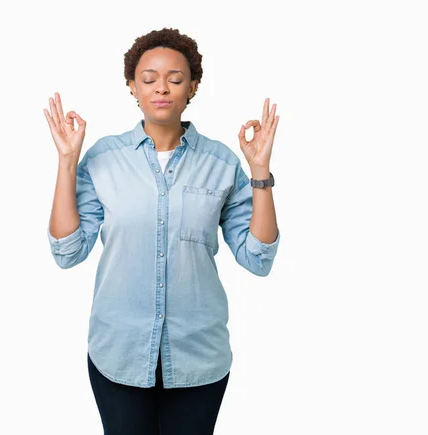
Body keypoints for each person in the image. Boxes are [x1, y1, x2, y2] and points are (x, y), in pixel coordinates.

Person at [45, 27, 281, 435]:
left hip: (198, 355)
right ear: (132, 86)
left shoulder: (221, 162)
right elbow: (68, 250)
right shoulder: (104, 157)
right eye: (149, 78)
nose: (162, 88)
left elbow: (257, 257)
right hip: (118, 351)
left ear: (192, 86)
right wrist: (68, 161)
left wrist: (260, 172)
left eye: (175, 79)